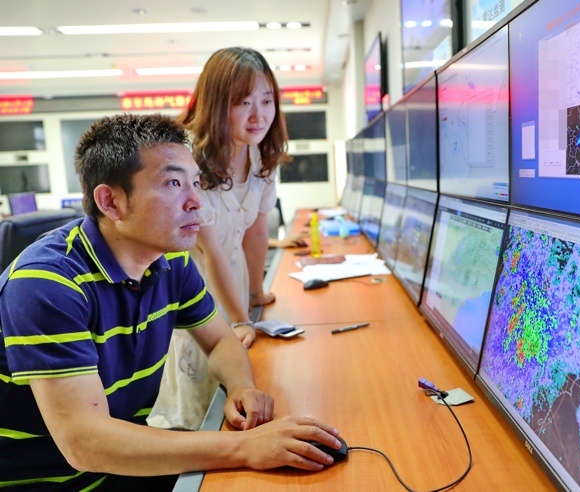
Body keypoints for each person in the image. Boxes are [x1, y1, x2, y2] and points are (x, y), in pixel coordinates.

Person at [0, 113, 342, 491]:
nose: (197, 202)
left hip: (122, 465)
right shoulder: (47, 282)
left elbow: (220, 340)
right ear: (110, 201)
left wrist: (242, 387)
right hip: (51, 480)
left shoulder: (170, 261)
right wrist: (243, 445)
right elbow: (85, 443)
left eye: (196, 182)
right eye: (174, 182)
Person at [149, 46, 294, 431]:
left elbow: (257, 232)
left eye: (267, 100)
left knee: (244, 396)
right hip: (197, 296)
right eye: (243, 102)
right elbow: (210, 250)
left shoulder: (261, 157)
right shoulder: (190, 162)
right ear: (216, 104)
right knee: (200, 409)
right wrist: (240, 319)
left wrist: (257, 295)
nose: (258, 115)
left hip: (237, 290)